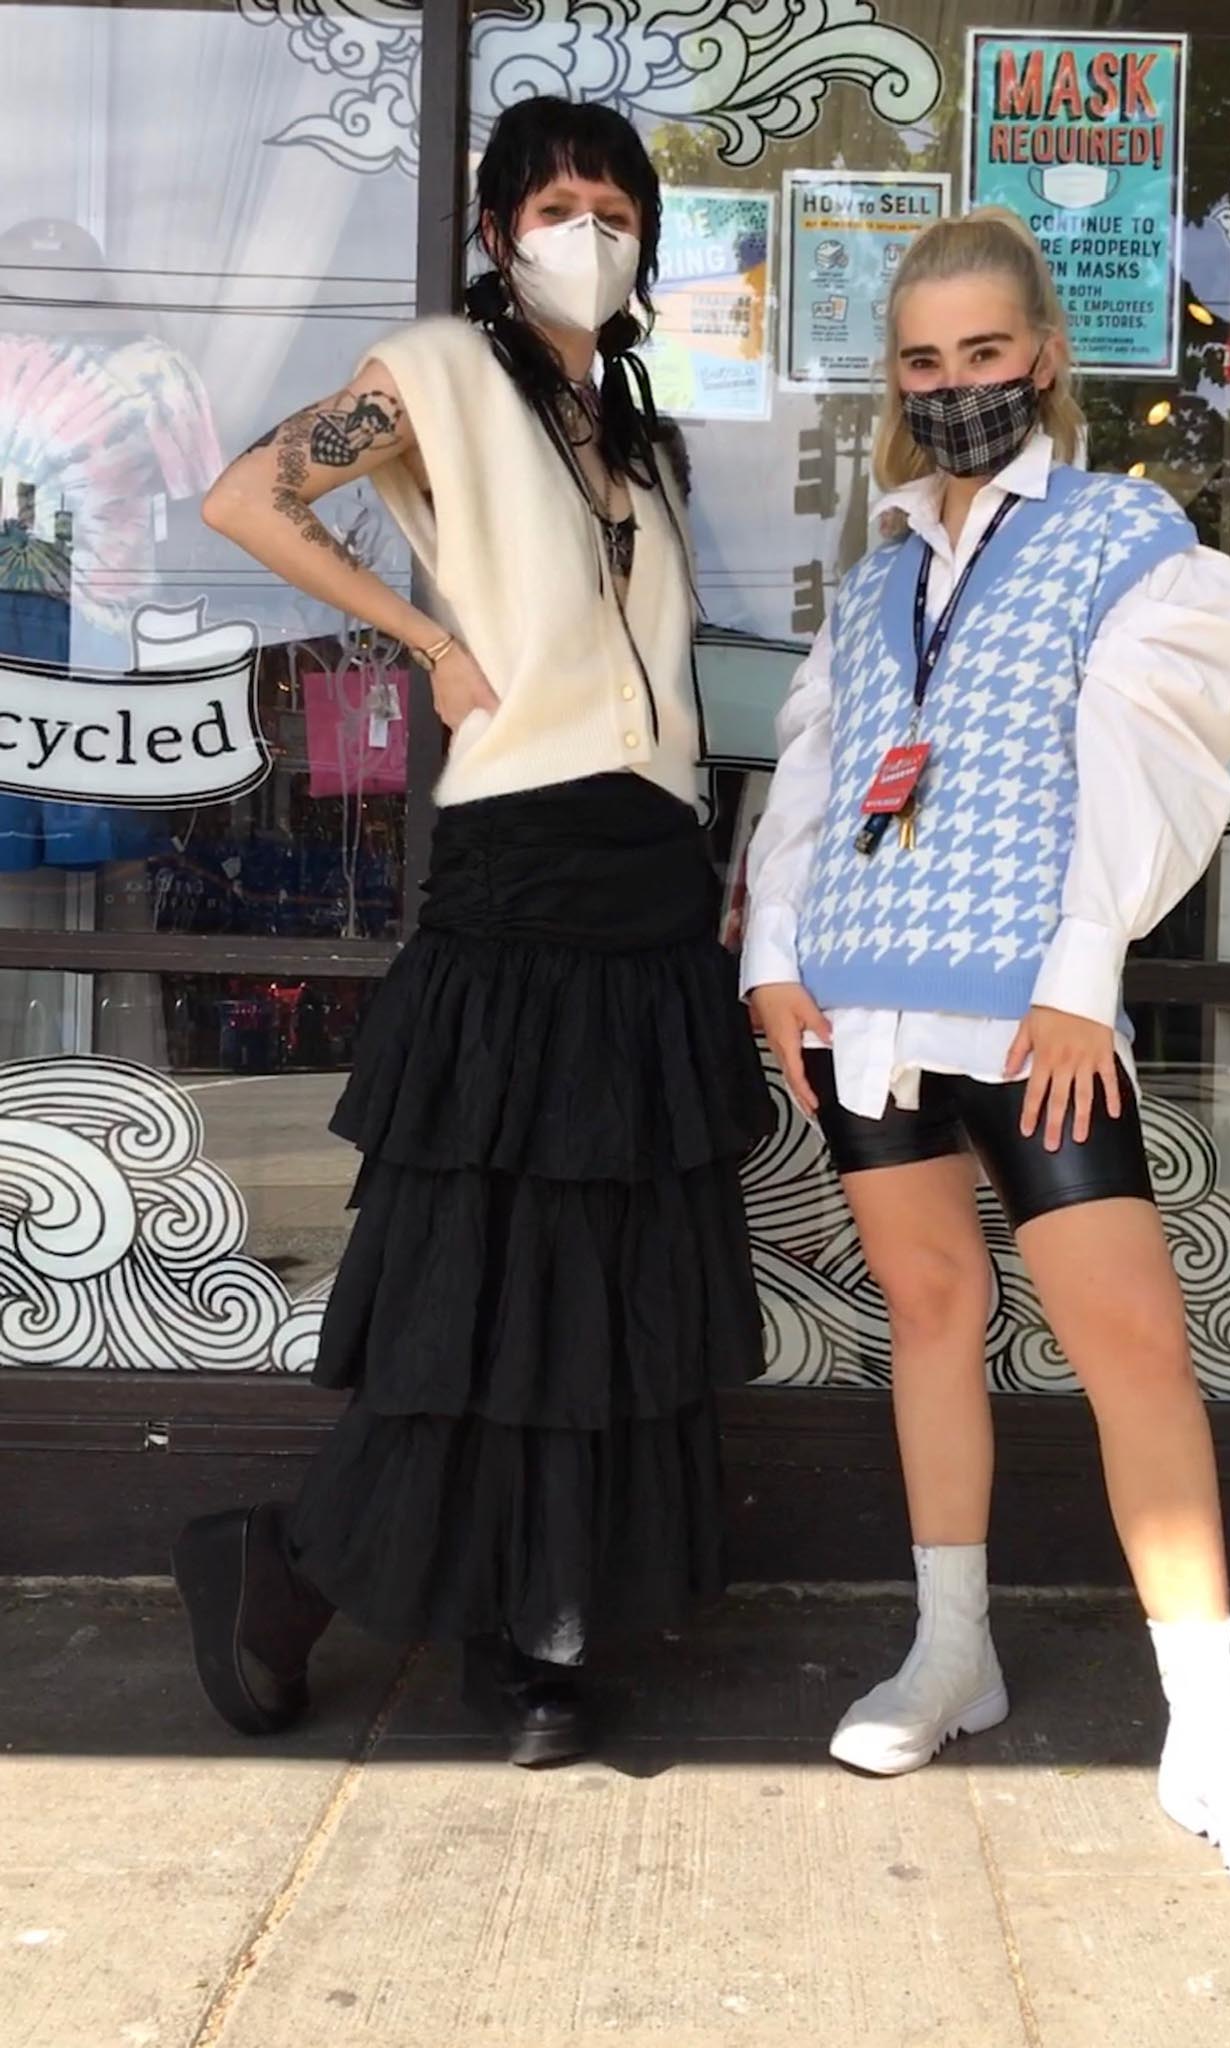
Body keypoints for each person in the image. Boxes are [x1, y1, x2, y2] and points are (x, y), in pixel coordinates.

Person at [743, 208, 1230, 1904]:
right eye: (923, 362)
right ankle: (954, 1653)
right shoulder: (871, 575)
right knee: (931, 1317)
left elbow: (1150, 753)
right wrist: (775, 962)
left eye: (983, 354)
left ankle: (1212, 1732)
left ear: (1044, 356)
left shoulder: (1120, 535)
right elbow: (817, 767)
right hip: (871, 1003)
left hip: (1028, 1007)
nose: (953, 387)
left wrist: (1086, 974)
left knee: (1131, 1347)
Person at [171, 97, 770, 1766]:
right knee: (486, 1272)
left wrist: (708, 841)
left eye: (614, 200)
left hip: (651, 866)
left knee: (609, 1275)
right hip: (522, 863)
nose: (590, 225)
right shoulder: (439, 366)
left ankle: (543, 1620)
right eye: (556, 201)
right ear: (501, 229)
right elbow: (244, 499)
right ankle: (291, 1573)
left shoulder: (632, 423)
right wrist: (421, 633)